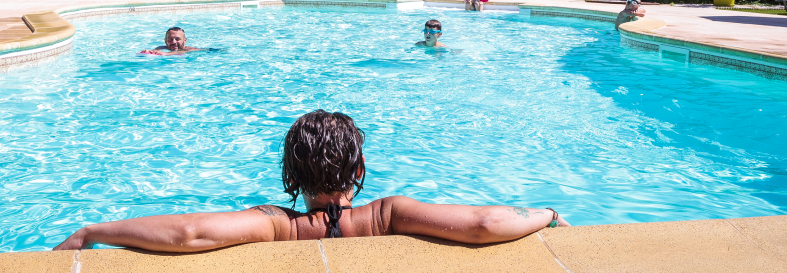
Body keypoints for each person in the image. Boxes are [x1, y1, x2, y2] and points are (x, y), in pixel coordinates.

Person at [53, 110, 569, 251]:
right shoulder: (388, 215)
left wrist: (94, 230)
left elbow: (189, 233)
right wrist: (544, 213)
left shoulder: (277, 225)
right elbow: (482, 225)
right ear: (359, 171)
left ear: (292, 174)